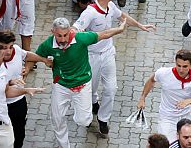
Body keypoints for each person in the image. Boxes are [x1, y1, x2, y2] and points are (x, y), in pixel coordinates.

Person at [74, 0, 155, 134]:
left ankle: (103, 119)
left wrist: (140, 26)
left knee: (111, 88)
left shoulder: (110, 7)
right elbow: (76, 29)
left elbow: (122, 16)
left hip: (108, 53)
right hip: (91, 56)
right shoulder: (89, 13)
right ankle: (93, 102)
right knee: (91, 87)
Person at [34, 16, 128, 148]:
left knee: (84, 120)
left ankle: (82, 110)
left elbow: (104, 34)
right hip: (61, 85)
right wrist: (40, 62)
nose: (62, 39)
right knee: (57, 119)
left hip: (82, 85)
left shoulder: (81, 38)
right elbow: (35, 56)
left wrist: (120, 28)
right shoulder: (47, 44)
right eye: (59, 36)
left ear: (69, 31)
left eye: (65, 35)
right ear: (52, 32)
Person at [0, 31, 53, 147]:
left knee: (19, 131)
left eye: (10, 47)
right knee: (1, 135)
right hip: (0, 105)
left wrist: (43, 60)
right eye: (5, 48)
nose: (9, 51)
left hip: (18, 102)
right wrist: (15, 85)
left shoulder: (16, 50)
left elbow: (27, 55)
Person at [137, 50, 191, 142]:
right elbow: (151, 80)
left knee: (186, 143)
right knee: (167, 144)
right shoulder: (164, 73)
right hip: (167, 116)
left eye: (185, 66)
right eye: (178, 65)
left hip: (185, 116)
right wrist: (142, 98)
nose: (181, 70)